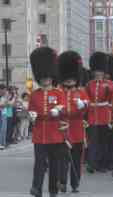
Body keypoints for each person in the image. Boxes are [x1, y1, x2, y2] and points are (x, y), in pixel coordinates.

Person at [29, 47, 67, 197]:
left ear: (52, 77)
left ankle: (53, 190)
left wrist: (58, 110)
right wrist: (31, 115)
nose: (45, 79)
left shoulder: (58, 93)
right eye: (42, 77)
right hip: (39, 134)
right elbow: (32, 110)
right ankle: (36, 188)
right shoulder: (34, 95)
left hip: (55, 134)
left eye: (47, 76)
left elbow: (64, 108)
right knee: (39, 163)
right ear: (39, 78)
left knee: (54, 164)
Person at [57, 51, 89, 194]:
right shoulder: (57, 92)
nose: (69, 80)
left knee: (76, 159)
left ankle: (75, 183)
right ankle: (62, 181)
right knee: (62, 159)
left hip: (77, 130)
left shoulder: (81, 92)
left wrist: (83, 105)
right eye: (67, 78)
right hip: (62, 130)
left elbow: (88, 106)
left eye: (72, 77)